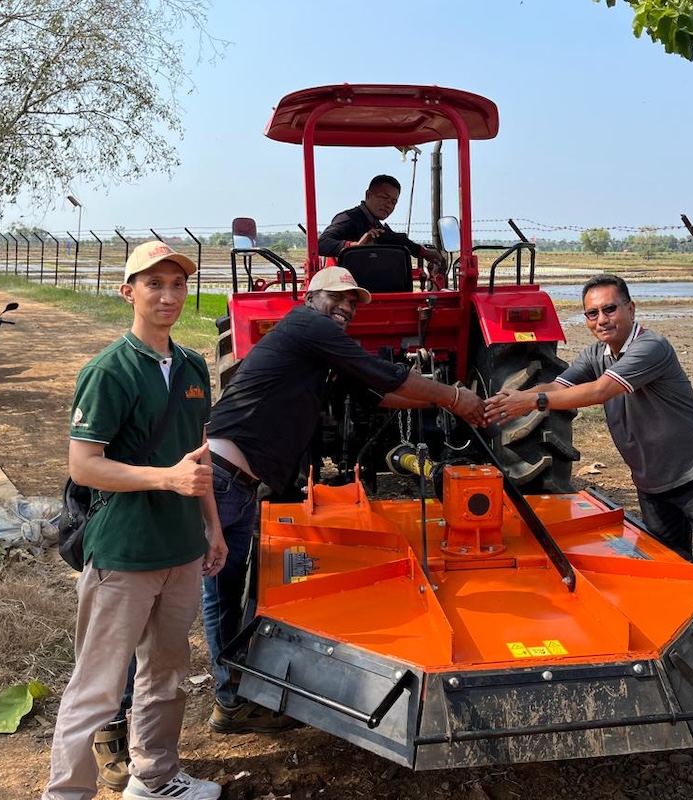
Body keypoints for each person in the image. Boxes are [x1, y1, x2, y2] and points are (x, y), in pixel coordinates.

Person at [201, 266, 485, 733]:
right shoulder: (306, 324)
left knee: (230, 593)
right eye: (338, 297)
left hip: (240, 484)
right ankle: (202, 702)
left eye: (352, 303)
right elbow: (388, 375)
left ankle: (232, 698)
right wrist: (455, 395)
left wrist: (442, 402)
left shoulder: (317, 348)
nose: (347, 308)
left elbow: (377, 394)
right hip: (219, 477)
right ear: (312, 296)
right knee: (207, 595)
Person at [43, 241, 228, 800]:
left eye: (177, 284)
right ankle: (67, 793)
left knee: (167, 677)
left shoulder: (195, 366)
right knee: (97, 688)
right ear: (129, 292)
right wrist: (162, 479)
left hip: (181, 551)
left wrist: (212, 528)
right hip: (124, 552)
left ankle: (155, 778)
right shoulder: (108, 371)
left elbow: (199, 456)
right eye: (154, 284)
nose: (168, 295)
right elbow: (85, 465)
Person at [483, 274, 693, 605]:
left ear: (631, 308)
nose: (601, 320)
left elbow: (599, 391)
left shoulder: (650, 347)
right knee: (670, 567)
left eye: (610, 309)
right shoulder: (597, 354)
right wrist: (513, 398)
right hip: (652, 482)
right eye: (592, 313)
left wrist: (531, 402)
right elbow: (557, 387)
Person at [317, 174, 445, 269]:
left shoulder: (376, 225)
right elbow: (321, 244)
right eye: (384, 198)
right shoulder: (349, 219)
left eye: (393, 202)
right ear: (368, 195)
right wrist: (354, 247)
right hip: (342, 289)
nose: (388, 205)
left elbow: (396, 239)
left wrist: (423, 252)